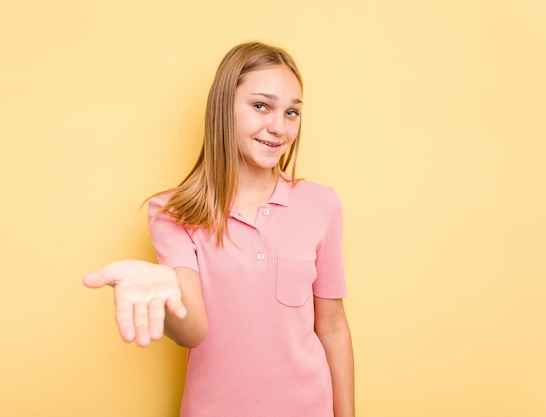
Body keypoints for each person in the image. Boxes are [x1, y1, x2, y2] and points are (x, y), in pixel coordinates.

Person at [84, 41, 355, 417]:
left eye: (291, 112)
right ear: (223, 108)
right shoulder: (173, 212)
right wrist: (168, 299)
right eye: (261, 106)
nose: (278, 127)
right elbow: (193, 330)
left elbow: (333, 328)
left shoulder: (321, 205)